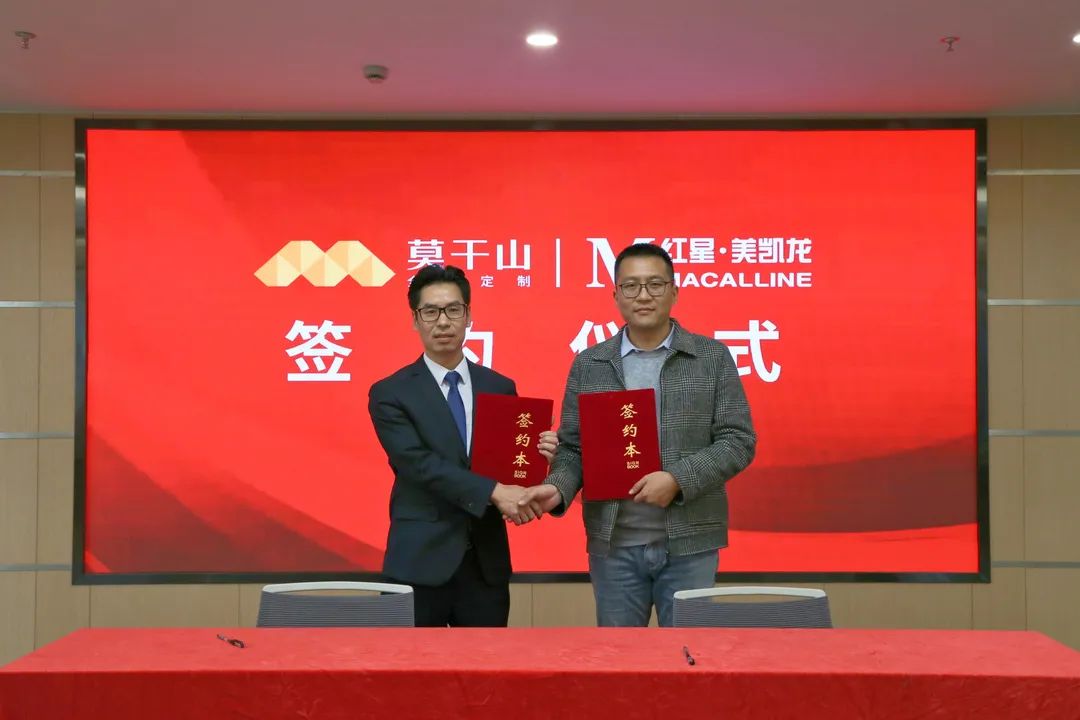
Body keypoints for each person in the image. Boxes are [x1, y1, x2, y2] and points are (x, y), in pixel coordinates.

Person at [521, 243, 756, 627]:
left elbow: (737, 440)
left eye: (654, 284)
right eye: (631, 286)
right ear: (615, 295)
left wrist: (677, 480)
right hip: (614, 546)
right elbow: (574, 448)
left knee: (688, 654)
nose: (643, 295)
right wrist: (557, 488)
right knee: (619, 658)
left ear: (674, 291)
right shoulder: (590, 363)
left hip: (690, 544)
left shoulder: (710, 357)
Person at [368, 264, 556, 627]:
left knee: (487, 663)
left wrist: (539, 455)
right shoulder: (391, 393)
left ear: (468, 316)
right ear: (415, 320)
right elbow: (417, 464)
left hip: (485, 565)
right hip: (419, 562)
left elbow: (507, 465)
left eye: (453, 310)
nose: (443, 321)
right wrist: (495, 491)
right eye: (431, 311)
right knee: (410, 663)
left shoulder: (499, 387)